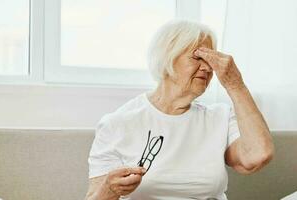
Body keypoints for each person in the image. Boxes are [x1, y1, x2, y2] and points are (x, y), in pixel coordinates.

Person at [84, 19, 274, 200]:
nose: (208, 68)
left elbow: (258, 156)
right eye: (199, 57)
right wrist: (109, 189)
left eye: (211, 60)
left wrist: (235, 84)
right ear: (167, 56)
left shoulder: (220, 117)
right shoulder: (118, 123)